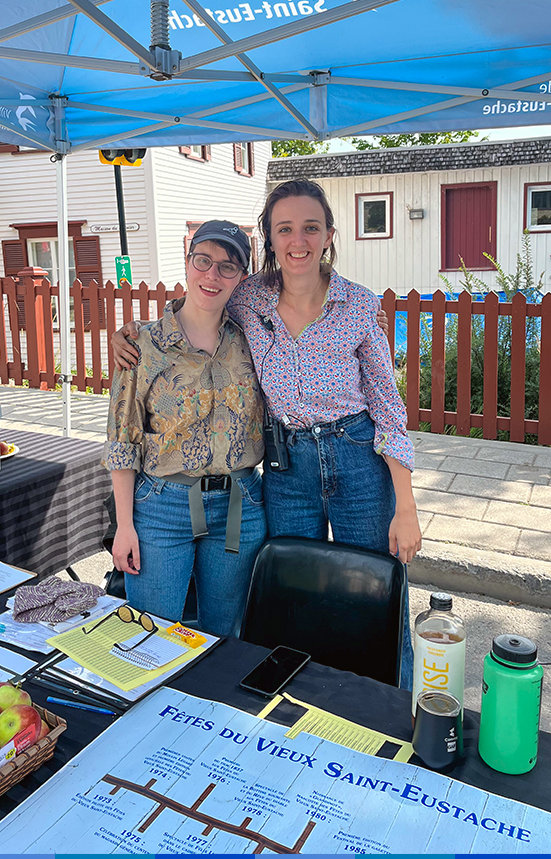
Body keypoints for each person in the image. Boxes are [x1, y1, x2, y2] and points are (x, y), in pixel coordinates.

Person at [112, 182, 419, 686]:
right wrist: (126, 332)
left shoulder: (360, 306)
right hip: (288, 469)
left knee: (379, 594)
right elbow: (198, 301)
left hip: (358, 460)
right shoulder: (250, 299)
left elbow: (389, 409)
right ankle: (302, 704)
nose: (298, 241)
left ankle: (389, 710)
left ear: (328, 236)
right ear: (270, 240)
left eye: (310, 228)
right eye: (284, 229)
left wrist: (405, 508)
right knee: (293, 597)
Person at [102, 221, 267, 638]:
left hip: (239, 507)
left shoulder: (254, 339)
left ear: (242, 277)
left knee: (225, 636)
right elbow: (122, 440)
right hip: (163, 508)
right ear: (187, 261)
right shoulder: (142, 343)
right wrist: (125, 526)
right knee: (149, 635)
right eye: (203, 261)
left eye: (227, 267)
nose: (212, 275)